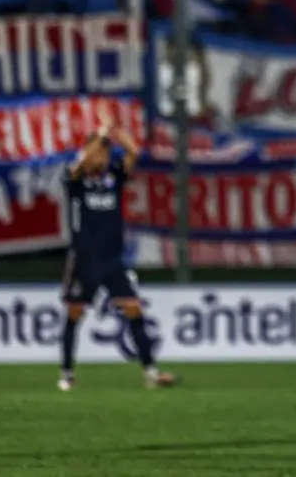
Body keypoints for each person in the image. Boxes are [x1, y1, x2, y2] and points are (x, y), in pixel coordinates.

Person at [59, 109, 178, 391]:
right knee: (75, 314)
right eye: (98, 152)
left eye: (104, 153)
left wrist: (114, 133)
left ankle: (151, 372)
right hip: (84, 259)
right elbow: (82, 163)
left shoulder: (114, 176)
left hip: (112, 258)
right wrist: (98, 138)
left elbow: (133, 152)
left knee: (134, 309)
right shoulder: (75, 178)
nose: (101, 157)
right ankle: (67, 374)